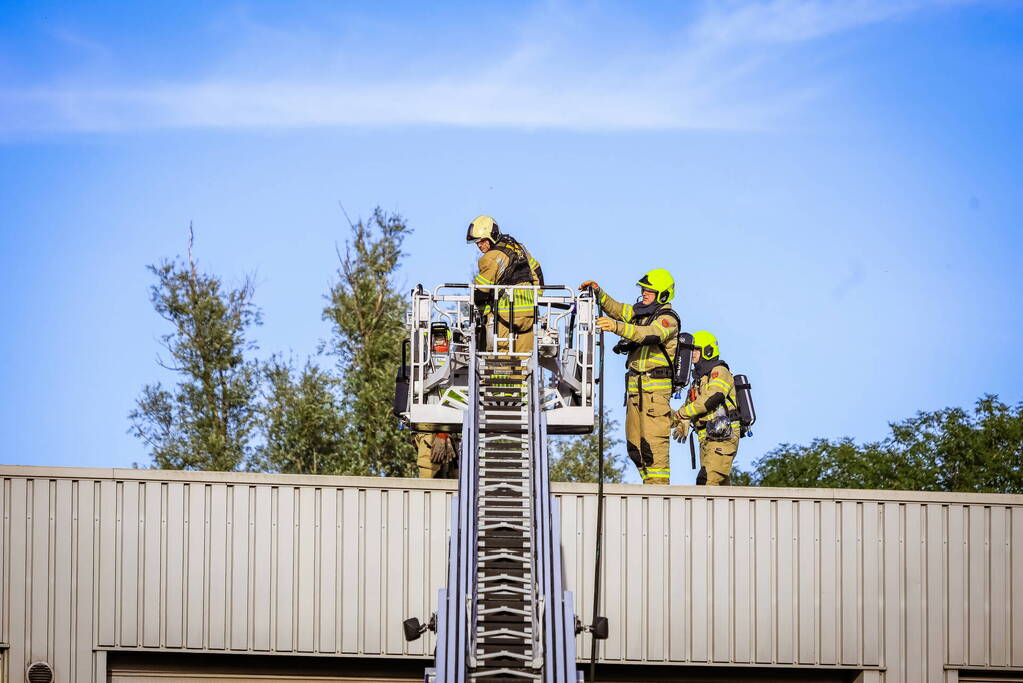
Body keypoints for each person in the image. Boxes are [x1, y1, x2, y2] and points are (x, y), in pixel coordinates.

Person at [579, 270, 679, 484]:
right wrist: (599, 293)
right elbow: (618, 309)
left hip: (655, 394)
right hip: (635, 390)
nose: (644, 293)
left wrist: (615, 326)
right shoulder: (640, 314)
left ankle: (658, 492)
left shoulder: (667, 320)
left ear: (662, 294)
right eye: (643, 289)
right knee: (635, 447)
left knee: (653, 447)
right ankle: (647, 486)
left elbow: (648, 334)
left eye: (650, 291)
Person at [466, 215, 543, 354]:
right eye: (477, 242)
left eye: (482, 241)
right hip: (529, 317)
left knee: (499, 362)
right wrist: (535, 298)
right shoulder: (520, 248)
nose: (479, 245)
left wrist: (484, 314)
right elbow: (537, 271)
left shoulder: (489, 258)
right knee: (524, 361)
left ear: (492, 236)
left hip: (503, 317)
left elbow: (481, 293)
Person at [672, 331, 740, 486]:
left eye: (696, 349)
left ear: (707, 351)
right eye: (692, 350)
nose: (692, 353)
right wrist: (680, 419)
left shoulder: (719, 371)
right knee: (719, 487)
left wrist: (683, 414)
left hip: (722, 438)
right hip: (707, 440)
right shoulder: (699, 379)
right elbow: (689, 405)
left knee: (707, 482)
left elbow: (713, 397)